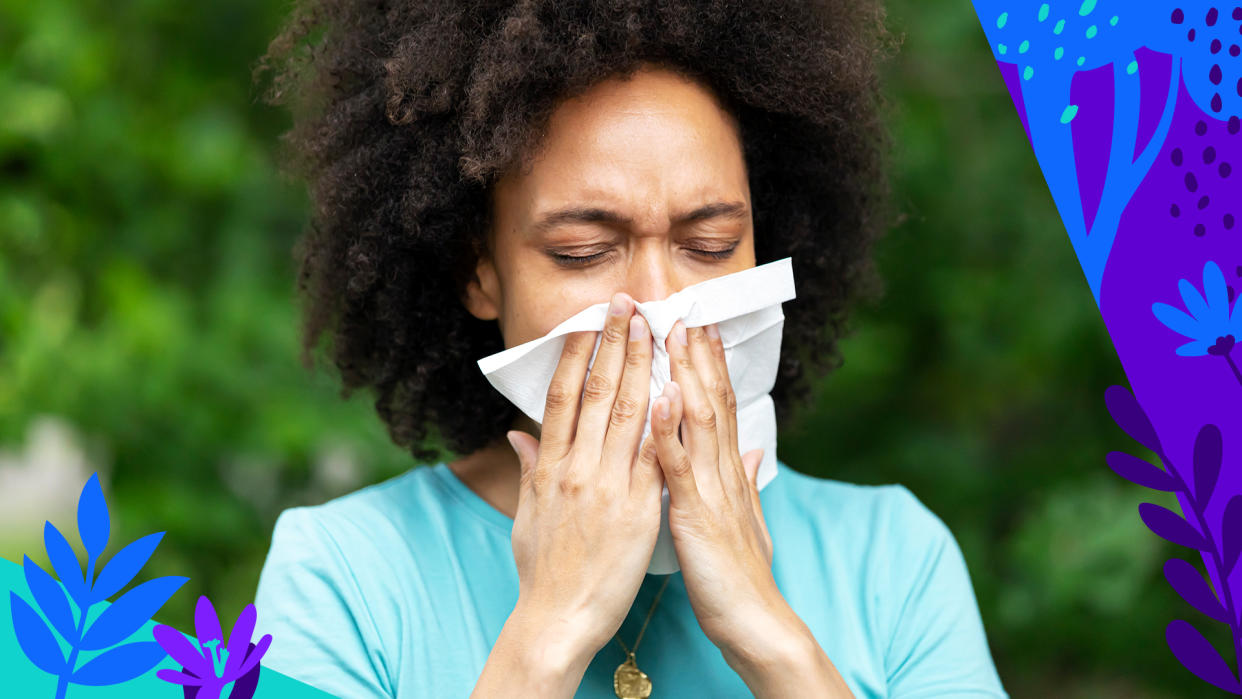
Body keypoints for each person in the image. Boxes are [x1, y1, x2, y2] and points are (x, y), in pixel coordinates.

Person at [250, 1, 1008, 696]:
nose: (657, 303)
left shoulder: (893, 560)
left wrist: (767, 633)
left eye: (709, 246)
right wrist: (548, 631)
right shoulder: (343, 572)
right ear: (478, 272)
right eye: (583, 251)